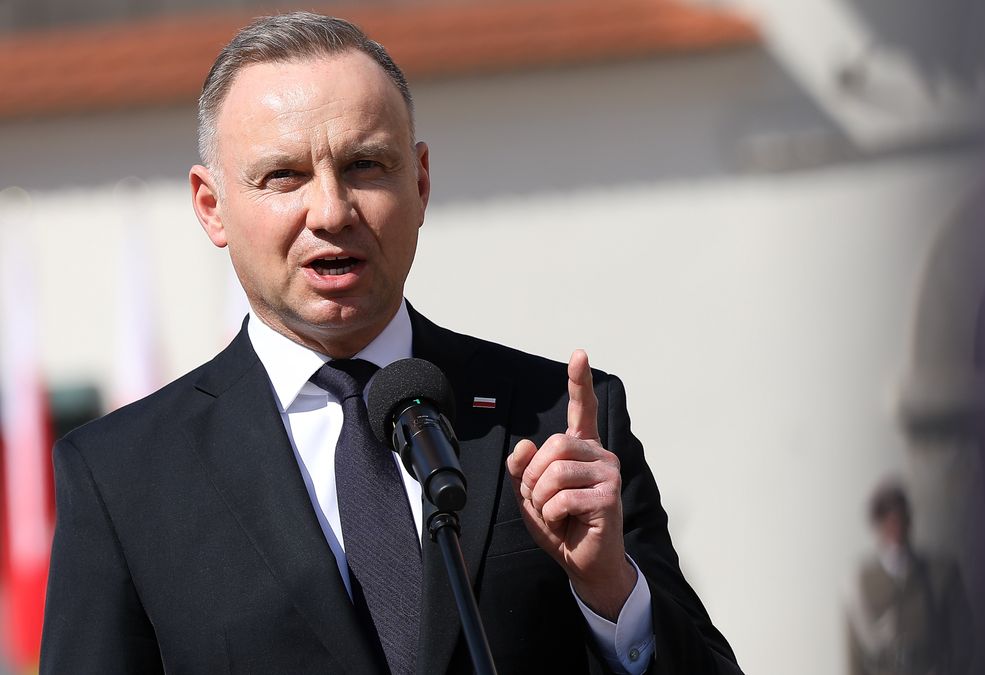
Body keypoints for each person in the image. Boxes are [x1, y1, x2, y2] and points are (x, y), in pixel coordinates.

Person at [39, 12, 740, 675]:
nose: (331, 210)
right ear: (211, 207)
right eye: (284, 176)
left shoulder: (555, 418)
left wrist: (612, 592)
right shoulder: (121, 477)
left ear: (421, 181)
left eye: (366, 166)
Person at [845, 479, 972, 675]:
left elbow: (963, 640)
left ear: (909, 520)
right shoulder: (864, 582)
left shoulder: (940, 573)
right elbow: (855, 653)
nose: (894, 527)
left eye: (899, 518)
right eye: (886, 520)